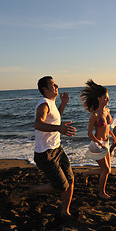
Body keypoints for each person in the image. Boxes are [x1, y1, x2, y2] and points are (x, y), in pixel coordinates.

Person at [31, 76, 77, 217]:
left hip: (57, 149)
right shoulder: (43, 104)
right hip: (45, 153)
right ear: (45, 89)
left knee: (70, 180)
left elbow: (55, 118)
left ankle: (65, 211)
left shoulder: (51, 103)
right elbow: (38, 124)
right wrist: (59, 129)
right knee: (62, 186)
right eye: (53, 84)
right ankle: (36, 189)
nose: (56, 86)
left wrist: (63, 104)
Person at [80, 80, 116, 199]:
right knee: (105, 170)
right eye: (106, 98)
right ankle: (101, 192)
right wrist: (99, 143)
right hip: (97, 145)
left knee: (107, 170)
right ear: (99, 98)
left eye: (108, 98)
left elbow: (106, 127)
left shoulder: (107, 111)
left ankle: (86, 173)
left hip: (106, 143)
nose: (108, 100)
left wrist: (113, 135)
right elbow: (89, 134)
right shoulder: (94, 115)